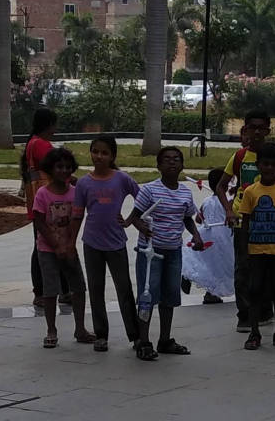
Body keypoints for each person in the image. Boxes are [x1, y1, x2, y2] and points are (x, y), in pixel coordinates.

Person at [127, 145, 207, 361]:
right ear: (159, 165)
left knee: (170, 295)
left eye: (176, 159)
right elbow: (134, 215)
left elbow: (187, 217)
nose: (172, 162)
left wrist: (196, 236)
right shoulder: (149, 190)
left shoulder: (184, 192)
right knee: (147, 295)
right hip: (151, 251)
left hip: (174, 251)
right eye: (167, 159)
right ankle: (143, 341)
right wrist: (141, 227)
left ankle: (165, 339)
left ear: (182, 165)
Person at [74, 135, 142, 354]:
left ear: (113, 155)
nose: (99, 156)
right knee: (96, 289)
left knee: (124, 288)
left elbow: (142, 198)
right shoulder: (83, 183)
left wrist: (131, 219)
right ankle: (101, 334)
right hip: (91, 243)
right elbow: (77, 215)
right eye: (95, 151)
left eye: (104, 153)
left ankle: (135, 335)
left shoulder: (121, 179)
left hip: (116, 244)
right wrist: (69, 242)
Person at [235, 147, 275, 350]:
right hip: (256, 251)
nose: (269, 168)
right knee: (254, 290)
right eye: (265, 164)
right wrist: (244, 251)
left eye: (273, 165)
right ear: (258, 165)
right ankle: (254, 332)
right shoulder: (251, 191)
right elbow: (245, 222)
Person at [30, 147, 91, 349]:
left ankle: (80, 328)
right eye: (59, 167)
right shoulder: (42, 194)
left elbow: (77, 218)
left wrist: (70, 244)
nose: (64, 171)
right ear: (50, 169)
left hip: (70, 248)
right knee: (50, 290)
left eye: (67, 167)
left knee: (79, 287)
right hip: (47, 250)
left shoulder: (75, 193)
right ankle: (51, 329)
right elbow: (39, 222)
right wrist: (56, 245)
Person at [228, 111, 272, 329]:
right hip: (242, 223)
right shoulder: (239, 157)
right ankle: (244, 315)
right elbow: (222, 186)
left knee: (264, 268)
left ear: (267, 131)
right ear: (245, 130)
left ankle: (265, 310)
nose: (256, 132)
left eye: (261, 127)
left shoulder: (274, 157)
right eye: (252, 127)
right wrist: (229, 210)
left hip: (267, 224)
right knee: (242, 269)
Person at [22, 108, 59, 311]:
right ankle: (44, 291)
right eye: (54, 124)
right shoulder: (42, 145)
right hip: (47, 202)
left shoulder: (32, 143)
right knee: (46, 247)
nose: (56, 129)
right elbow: (57, 168)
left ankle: (48, 290)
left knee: (41, 245)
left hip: (35, 198)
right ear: (48, 125)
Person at [183, 167, 236, 306]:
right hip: (224, 236)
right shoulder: (229, 201)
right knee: (223, 265)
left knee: (211, 264)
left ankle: (209, 292)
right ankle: (212, 293)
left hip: (208, 235)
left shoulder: (207, 201)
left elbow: (199, 219)